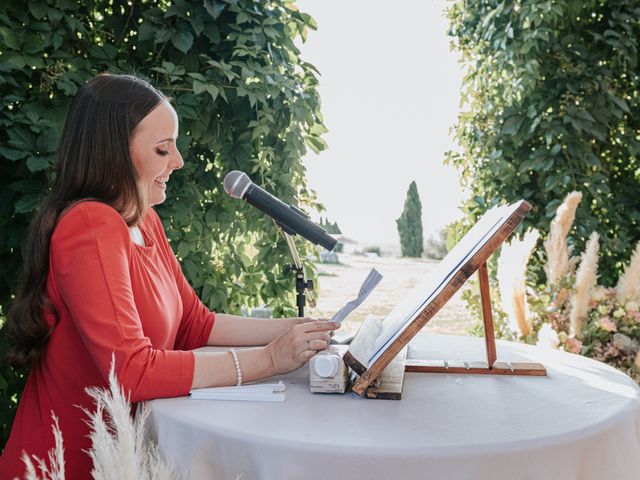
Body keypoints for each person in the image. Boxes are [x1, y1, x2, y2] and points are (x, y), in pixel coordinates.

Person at [0, 73, 338, 478]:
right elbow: (133, 371)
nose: (177, 161)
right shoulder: (91, 226)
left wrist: (300, 330)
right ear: (115, 153)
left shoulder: (147, 221)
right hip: (63, 464)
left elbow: (197, 324)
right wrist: (269, 360)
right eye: (163, 149)